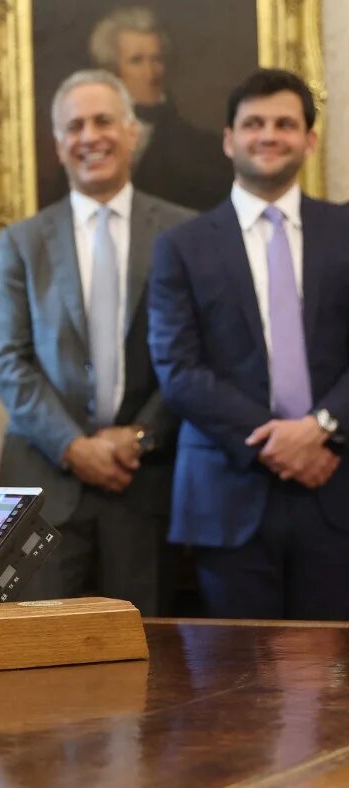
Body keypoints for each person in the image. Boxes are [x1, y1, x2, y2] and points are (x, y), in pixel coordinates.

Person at [0, 70, 193, 615]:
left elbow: (191, 356)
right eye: (74, 126)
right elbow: (8, 361)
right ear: (58, 146)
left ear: (132, 133)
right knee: (36, 667)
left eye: (103, 121)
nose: (89, 136)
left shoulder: (182, 234)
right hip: (46, 482)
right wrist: (74, 446)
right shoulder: (22, 242)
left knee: (146, 667)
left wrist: (140, 437)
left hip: (145, 484)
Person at [148, 69, 349, 620]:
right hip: (226, 495)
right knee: (234, 686)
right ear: (228, 139)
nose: (269, 135)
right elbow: (178, 368)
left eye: (285, 124)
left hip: (335, 486)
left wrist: (321, 427)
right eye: (253, 123)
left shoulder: (345, 230)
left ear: (309, 139)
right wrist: (278, 443)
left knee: (336, 682)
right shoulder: (181, 247)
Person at [87, 5, 227, 211]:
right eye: (137, 61)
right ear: (112, 70)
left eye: (156, 60)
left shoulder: (203, 150)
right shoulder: (86, 143)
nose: (151, 73)